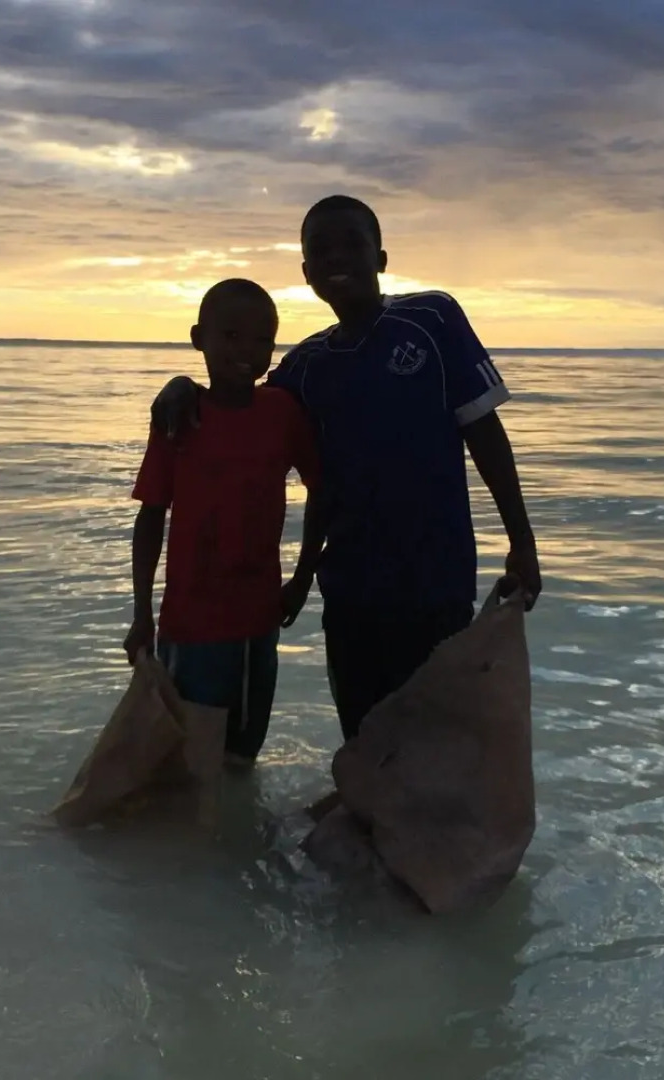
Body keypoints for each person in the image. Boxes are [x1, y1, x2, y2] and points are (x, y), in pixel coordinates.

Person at [150, 196, 542, 742]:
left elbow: (483, 430)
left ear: (380, 258)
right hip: (351, 589)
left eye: (352, 244)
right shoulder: (307, 366)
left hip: (436, 579)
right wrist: (182, 387)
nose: (338, 257)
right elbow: (237, 401)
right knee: (365, 740)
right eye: (321, 249)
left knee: (437, 742)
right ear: (307, 273)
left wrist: (522, 540)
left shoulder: (432, 318)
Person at [125, 278, 321, 767]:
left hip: (257, 623)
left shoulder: (281, 412)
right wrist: (140, 614)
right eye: (231, 337)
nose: (247, 352)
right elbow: (151, 516)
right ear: (199, 338)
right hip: (187, 625)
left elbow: (324, 492)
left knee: (240, 757)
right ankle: (192, 842)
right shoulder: (179, 417)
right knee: (186, 758)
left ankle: (234, 837)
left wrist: (302, 578)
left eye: (262, 341)